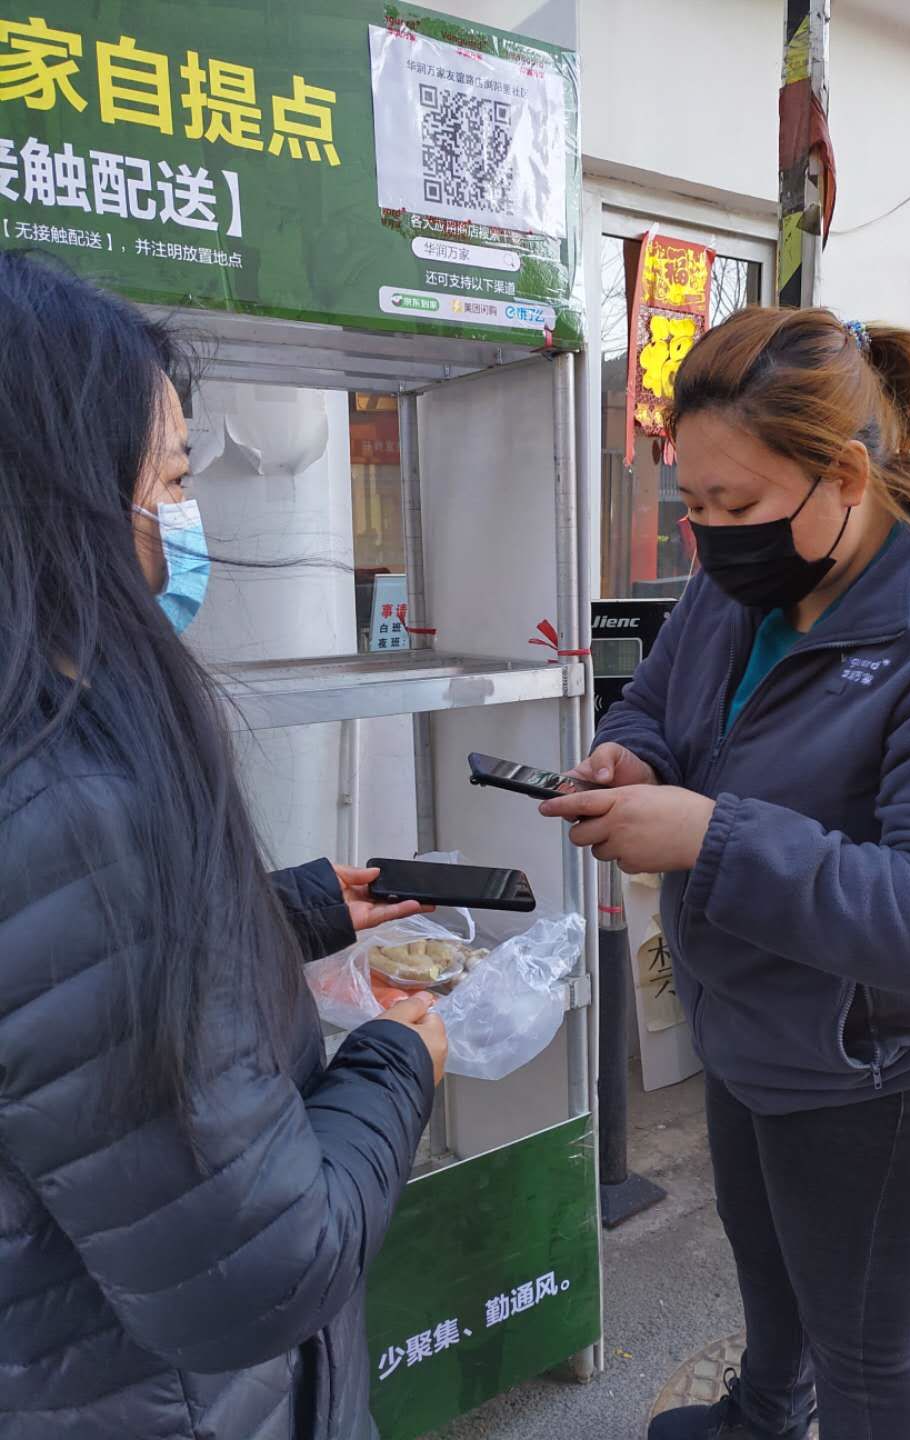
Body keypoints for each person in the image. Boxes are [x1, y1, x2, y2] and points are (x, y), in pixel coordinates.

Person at [542, 307, 910, 1440]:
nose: (708, 534)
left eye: (734, 505)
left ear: (845, 473)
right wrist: (632, 753)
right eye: (693, 504)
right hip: (752, 1020)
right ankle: (761, 1413)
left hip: (883, 1072)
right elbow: (664, 705)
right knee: (769, 1262)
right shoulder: (739, 593)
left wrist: (706, 836)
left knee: (867, 1349)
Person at [0, 250, 446, 1440]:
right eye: (176, 476)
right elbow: (261, 1272)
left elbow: (53, 1014)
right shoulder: (78, 805)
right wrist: (401, 1061)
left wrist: (281, 912)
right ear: (67, 500)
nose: (186, 522)